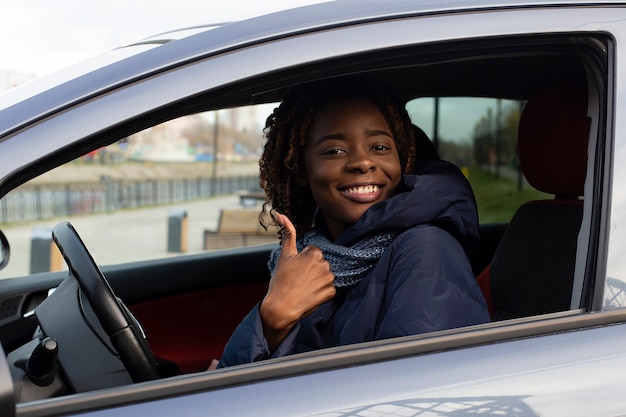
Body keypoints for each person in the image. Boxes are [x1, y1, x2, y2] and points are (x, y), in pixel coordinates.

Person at [217, 77, 489, 368]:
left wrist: (274, 318)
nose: (362, 162)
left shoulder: (426, 252)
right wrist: (270, 324)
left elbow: (410, 398)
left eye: (380, 147)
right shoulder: (317, 254)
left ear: (402, 160)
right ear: (299, 169)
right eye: (335, 150)